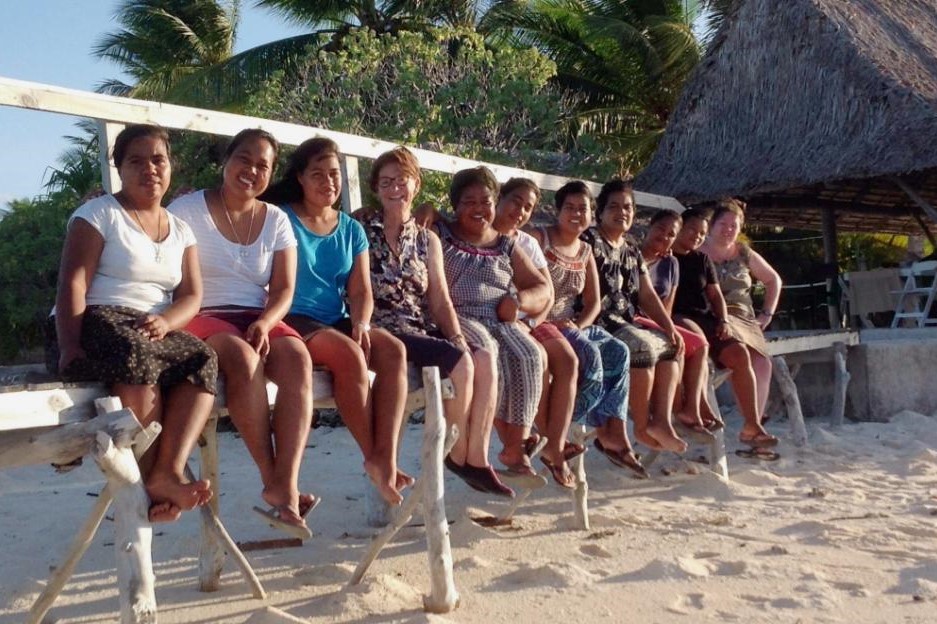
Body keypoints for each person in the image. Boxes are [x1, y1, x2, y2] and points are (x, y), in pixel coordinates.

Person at [50, 124, 216, 522]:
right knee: (136, 352)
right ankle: (145, 482)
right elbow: (73, 283)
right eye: (136, 161)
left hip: (151, 325)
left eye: (158, 159)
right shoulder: (98, 214)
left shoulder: (181, 229)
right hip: (93, 319)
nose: (150, 169)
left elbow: (192, 296)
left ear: (170, 165)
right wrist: (69, 347)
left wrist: (165, 320)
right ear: (119, 168)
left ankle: (167, 470)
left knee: (203, 357)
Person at [169, 128, 316, 538]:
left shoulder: (277, 220)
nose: (252, 170)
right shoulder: (187, 209)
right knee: (242, 358)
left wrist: (267, 322)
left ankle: (283, 481)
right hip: (202, 311)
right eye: (244, 159)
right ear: (226, 160)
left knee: (298, 359)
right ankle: (278, 484)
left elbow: (285, 289)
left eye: (263, 165)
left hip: (257, 313)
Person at [260, 137, 411, 506]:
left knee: (392, 350)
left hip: (336, 316)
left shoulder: (350, 228)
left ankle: (386, 459)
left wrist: (361, 322)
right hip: (292, 317)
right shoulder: (281, 218)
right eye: (317, 175)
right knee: (348, 355)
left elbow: (360, 292)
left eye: (333, 174)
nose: (328, 182)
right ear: (300, 178)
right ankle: (372, 458)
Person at [361, 147, 511, 497]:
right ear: (376, 189)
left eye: (402, 180)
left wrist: (456, 334)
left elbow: (440, 299)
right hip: (382, 327)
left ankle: (476, 455)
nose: (395, 188)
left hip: (419, 326)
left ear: (417, 184)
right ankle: (456, 455)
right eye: (386, 182)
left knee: (483, 357)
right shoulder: (362, 227)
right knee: (460, 362)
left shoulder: (427, 239)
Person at [433, 167, 551, 477]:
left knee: (530, 354)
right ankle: (483, 446)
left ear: (494, 202)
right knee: (488, 352)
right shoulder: (441, 232)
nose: (477, 208)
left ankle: (517, 447)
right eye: (468, 201)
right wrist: (425, 209)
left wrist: (519, 302)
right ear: (455, 206)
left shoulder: (505, 245)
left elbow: (542, 288)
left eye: (484, 201)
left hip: (498, 317)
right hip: (458, 316)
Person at [530, 181, 647, 478]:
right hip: (541, 324)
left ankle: (613, 433)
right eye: (569, 207)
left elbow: (594, 303)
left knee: (618, 351)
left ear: (591, 214)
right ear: (557, 212)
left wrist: (579, 327)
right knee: (590, 359)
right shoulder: (539, 239)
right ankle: (556, 434)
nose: (576, 214)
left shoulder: (584, 250)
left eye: (582, 209)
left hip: (573, 325)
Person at [582, 180, 687, 453]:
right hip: (598, 321)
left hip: (625, 321)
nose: (622, 212)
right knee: (642, 348)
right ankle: (641, 425)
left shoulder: (630, 248)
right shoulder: (589, 241)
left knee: (671, 345)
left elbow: (648, 295)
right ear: (600, 212)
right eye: (614, 206)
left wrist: (669, 327)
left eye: (627, 207)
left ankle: (661, 422)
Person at [492, 178, 580, 488]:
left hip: (531, 319)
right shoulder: (482, 231)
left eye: (528, 207)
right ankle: (530, 438)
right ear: (499, 197)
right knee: (538, 359)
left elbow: (548, 293)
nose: (521, 210)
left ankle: (554, 444)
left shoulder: (526, 243)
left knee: (568, 360)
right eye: (516, 201)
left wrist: (532, 323)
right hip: (500, 320)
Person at [671, 207, 778, 449]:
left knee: (743, 355)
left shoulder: (705, 260)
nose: (696, 235)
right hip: (682, 318)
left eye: (734, 225)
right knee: (699, 348)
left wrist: (725, 319)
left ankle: (753, 425)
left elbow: (715, 293)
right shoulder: (666, 257)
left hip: (720, 318)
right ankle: (696, 409)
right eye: (691, 230)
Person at [701, 199, 782, 426]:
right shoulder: (698, 251)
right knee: (740, 356)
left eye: (733, 225)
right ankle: (753, 424)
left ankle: (753, 423)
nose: (728, 230)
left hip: (745, 318)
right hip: (714, 316)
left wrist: (767, 313)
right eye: (723, 224)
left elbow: (773, 279)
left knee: (763, 363)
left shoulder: (744, 253)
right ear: (712, 225)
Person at [638, 209, 721, 432]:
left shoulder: (671, 263)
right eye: (660, 230)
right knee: (676, 348)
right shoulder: (632, 255)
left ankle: (691, 407)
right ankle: (673, 411)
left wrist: (666, 327)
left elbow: (668, 305)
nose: (665, 236)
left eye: (670, 234)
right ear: (649, 227)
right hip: (634, 319)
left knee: (699, 344)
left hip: (658, 321)